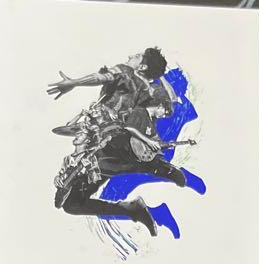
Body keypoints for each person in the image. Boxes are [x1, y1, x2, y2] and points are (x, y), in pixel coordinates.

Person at [49, 48, 187, 234]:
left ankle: (160, 168)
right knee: (72, 205)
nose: (131, 56)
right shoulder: (147, 88)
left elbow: (101, 77)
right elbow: (172, 98)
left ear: (142, 66)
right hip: (102, 147)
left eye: (137, 56)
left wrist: (74, 82)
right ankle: (133, 210)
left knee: (117, 154)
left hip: (114, 142)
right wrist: (157, 74)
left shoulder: (126, 72)